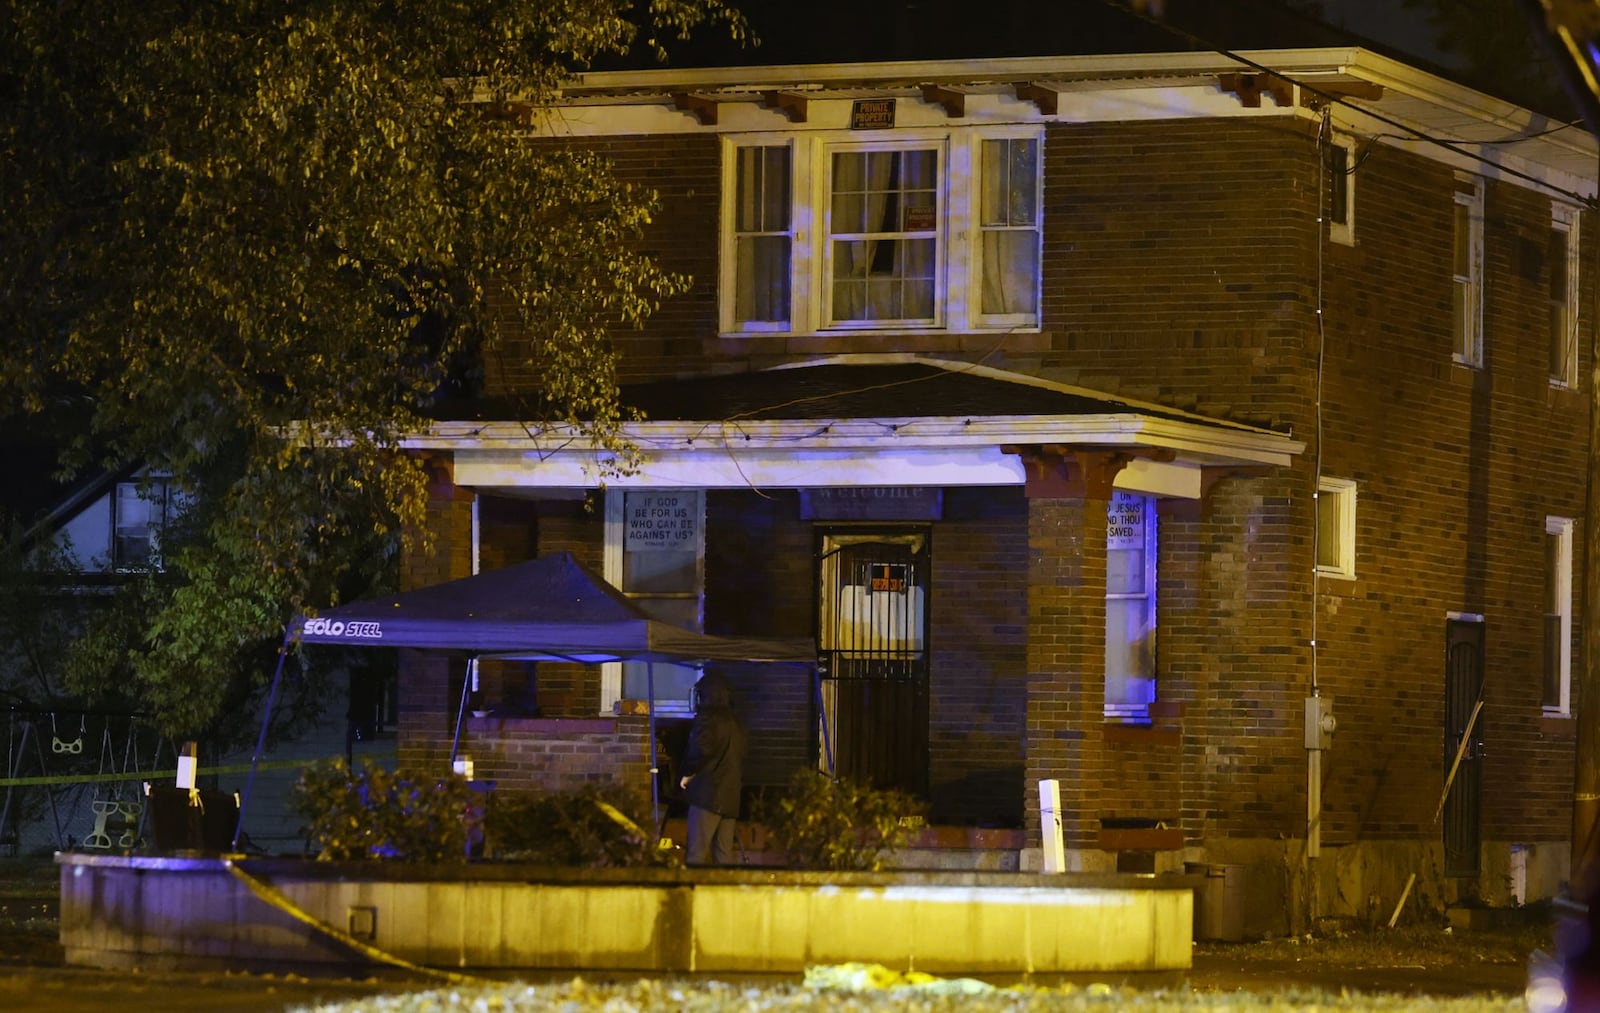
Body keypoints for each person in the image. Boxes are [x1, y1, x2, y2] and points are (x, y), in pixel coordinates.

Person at [677, 672, 746, 866]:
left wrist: (688, 774)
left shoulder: (708, 718)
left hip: (708, 794)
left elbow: (699, 749)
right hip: (731, 795)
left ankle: (694, 894)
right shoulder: (737, 723)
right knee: (723, 856)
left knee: (696, 854)